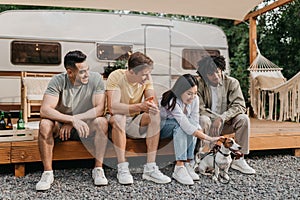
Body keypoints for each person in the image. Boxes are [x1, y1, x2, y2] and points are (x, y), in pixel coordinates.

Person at [36, 50, 108, 191]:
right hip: (60, 127)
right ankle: (47, 173)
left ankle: (98, 169)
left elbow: (99, 110)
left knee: (102, 122)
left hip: (86, 125)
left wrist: (74, 120)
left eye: (88, 70)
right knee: (44, 124)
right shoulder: (58, 81)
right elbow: (45, 110)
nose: (87, 74)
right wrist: (70, 120)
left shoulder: (96, 79)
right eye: (82, 72)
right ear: (70, 72)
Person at [106, 51, 171, 185]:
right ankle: (122, 168)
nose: (147, 78)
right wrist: (140, 106)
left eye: (148, 74)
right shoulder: (116, 76)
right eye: (144, 74)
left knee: (154, 114)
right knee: (119, 118)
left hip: (134, 119)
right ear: (131, 71)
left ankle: (150, 168)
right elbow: (113, 107)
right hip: (116, 119)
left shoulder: (146, 78)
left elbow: (153, 101)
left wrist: (151, 104)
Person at [196, 55, 256, 174]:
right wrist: (214, 119)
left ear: (221, 69)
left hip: (226, 122)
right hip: (208, 124)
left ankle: (239, 159)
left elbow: (239, 105)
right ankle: (197, 158)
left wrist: (222, 118)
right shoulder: (199, 84)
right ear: (204, 75)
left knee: (243, 119)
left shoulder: (232, 82)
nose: (216, 76)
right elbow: (199, 107)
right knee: (203, 119)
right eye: (211, 74)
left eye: (217, 72)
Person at [160, 74, 221, 185]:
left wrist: (200, 133)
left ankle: (188, 163)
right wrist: (209, 139)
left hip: (179, 128)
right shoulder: (172, 100)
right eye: (189, 93)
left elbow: (194, 121)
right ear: (180, 91)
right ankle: (179, 167)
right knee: (182, 126)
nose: (192, 97)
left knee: (191, 124)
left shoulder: (195, 99)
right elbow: (185, 125)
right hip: (162, 128)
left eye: (195, 93)